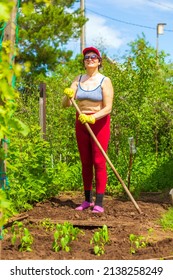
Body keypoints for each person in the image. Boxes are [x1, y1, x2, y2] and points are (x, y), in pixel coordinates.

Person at [62, 46, 114, 213]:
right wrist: (67, 95)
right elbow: (66, 105)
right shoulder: (77, 80)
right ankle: (87, 200)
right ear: (84, 63)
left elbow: (108, 108)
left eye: (93, 57)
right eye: (86, 57)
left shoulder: (105, 81)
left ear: (99, 61)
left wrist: (93, 117)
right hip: (81, 123)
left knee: (99, 161)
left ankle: (99, 202)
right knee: (85, 162)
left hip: (99, 123)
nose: (90, 59)